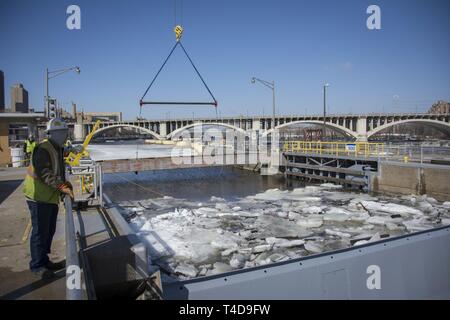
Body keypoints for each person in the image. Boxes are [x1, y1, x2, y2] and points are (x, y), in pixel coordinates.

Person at [23, 118, 74, 279]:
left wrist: (64, 184)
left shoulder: (56, 148)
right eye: (65, 133)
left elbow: (58, 170)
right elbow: (46, 173)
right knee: (40, 232)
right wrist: (61, 186)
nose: (67, 136)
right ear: (57, 134)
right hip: (38, 197)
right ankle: (37, 265)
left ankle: (44, 261)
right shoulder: (42, 149)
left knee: (49, 231)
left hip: (49, 197)